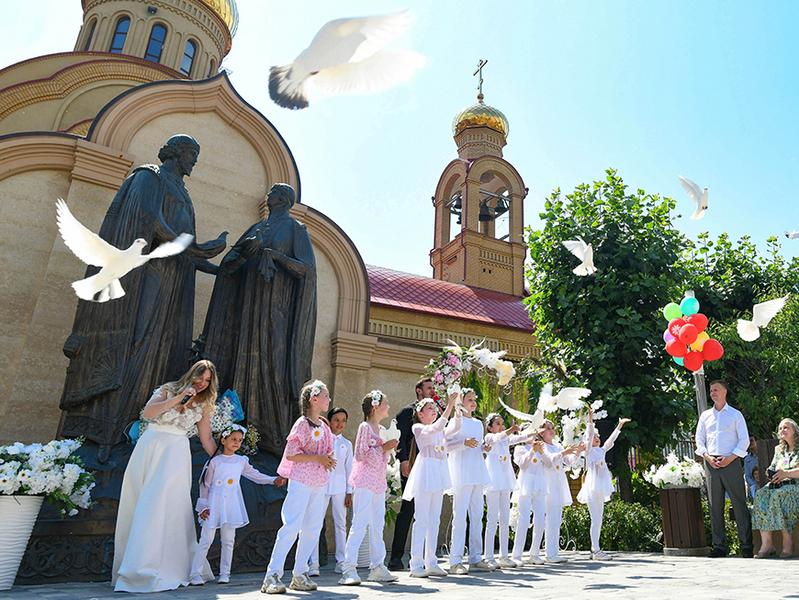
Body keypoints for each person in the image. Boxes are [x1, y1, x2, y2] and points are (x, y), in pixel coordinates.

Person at [59, 135, 227, 461]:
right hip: (146, 277)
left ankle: (143, 427)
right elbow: (152, 223)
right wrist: (195, 247)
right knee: (138, 338)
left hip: (173, 280)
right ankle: (111, 429)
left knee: (164, 349)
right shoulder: (149, 177)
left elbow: (183, 248)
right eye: (191, 153)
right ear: (175, 153)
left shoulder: (183, 192)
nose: (194, 160)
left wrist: (219, 268)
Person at [201, 183, 316, 455]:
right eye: (271, 192)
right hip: (247, 308)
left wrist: (275, 256)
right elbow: (232, 261)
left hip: (277, 311)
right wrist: (241, 254)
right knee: (241, 358)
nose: (270, 196)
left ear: (286, 200)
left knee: (271, 362)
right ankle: (233, 429)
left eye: (276, 193)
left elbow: (306, 269)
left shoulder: (295, 229)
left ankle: (270, 434)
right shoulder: (255, 228)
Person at [112, 360, 219, 593]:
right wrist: (179, 397)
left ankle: (160, 567)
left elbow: (206, 438)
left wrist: (224, 459)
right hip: (150, 447)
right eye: (200, 377)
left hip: (175, 453)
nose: (202, 383)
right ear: (191, 375)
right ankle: (134, 566)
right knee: (140, 503)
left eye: (207, 380)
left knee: (163, 505)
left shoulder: (205, 404)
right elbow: (148, 414)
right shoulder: (167, 389)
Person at [261, 380, 336, 594]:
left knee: (312, 528)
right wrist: (319, 458)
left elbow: (327, 451)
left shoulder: (324, 426)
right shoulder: (302, 424)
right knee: (292, 525)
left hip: (319, 482)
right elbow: (292, 454)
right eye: (325, 396)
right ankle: (272, 575)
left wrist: (328, 459)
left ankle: (300, 573)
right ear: (314, 399)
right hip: (301, 480)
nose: (328, 400)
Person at [190, 425, 286, 584]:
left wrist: (272, 479)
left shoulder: (241, 461)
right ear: (223, 439)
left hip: (231, 504)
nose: (236, 443)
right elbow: (205, 485)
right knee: (206, 539)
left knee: (228, 540)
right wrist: (204, 506)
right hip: (214, 503)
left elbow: (255, 475)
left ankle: (224, 573)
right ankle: (195, 574)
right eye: (233, 439)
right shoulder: (214, 462)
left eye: (240, 440)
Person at [339, 391, 400, 585]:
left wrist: (389, 449)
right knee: (360, 523)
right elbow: (360, 455)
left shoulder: (381, 428)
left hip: (378, 481)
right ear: (375, 407)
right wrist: (383, 448)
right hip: (365, 480)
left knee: (377, 523)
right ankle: (348, 568)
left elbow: (381, 456)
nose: (388, 407)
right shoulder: (365, 427)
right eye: (385, 403)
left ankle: (377, 566)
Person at [694, 380, 754, 558]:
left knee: (739, 504)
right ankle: (719, 546)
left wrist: (730, 458)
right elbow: (699, 440)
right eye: (711, 390)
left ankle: (746, 546)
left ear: (725, 391)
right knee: (715, 506)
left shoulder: (735, 415)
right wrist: (707, 457)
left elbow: (744, 440)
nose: (712, 393)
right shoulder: (705, 416)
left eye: (716, 390)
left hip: (731, 462)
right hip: (711, 463)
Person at [403, 393, 459, 578]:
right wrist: (449, 406)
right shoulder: (418, 428)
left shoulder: (438, 429)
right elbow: (439, 426)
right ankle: (416, 564)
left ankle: (431, 562)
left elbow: (453, 429)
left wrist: (457, 411)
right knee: (422, 519)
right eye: (430, 409)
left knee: (435, 519)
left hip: (438, 473)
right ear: (420, 413)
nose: (434, 411)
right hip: (425, 472)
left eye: (435, 409)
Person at [389, 377, 440, 569]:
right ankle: (396, 557)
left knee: (430, 511)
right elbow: (400, 438)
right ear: (418, 390)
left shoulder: (436, 413)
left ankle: (428, 556)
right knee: (408, 509)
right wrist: (403, 461)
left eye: (433, 388)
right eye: (428, 388)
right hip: (412, 464)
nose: (432, 391)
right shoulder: (407, 412)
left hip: (432, 466)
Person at [444, 388, 496, 574]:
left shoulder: (478, 424)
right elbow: (445, 445)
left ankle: (475, 557)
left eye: (474, 399)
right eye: (469, 399)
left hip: (477, 471)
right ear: (460, 402)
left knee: (476, 516)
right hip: (461, 471)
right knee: (460, 517)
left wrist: (485, 448)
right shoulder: (454, 422)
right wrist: (462, 443)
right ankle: (455, 560)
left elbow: (478, 446)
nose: (473, 402)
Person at [577, 408, 631, 560]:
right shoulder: (588, 452)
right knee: (595, 518)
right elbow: (588, 435)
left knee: (599, 518)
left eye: (598, 437)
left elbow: (611, 441)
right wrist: (590, 418)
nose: (597, 438)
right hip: (592, 487)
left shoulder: (601, 451)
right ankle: (595, 550)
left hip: (600, 487)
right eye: (594, 437)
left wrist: (619, 425)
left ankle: (596, 548)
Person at [309, 407, 353, 576]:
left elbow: (350, 469)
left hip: (340, 488)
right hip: (320, 486)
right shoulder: (321, 440)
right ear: (329, 421)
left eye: (343, 420)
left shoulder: (347, 444)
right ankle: (313, 563)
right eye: (336, 420)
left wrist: (350, 492)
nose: (340, 424)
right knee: (315, 522)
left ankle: (341, 561)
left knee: (340, 523)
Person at [752, 418, 799, 558]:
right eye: (780, 428)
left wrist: (786, 474)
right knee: (761, 494)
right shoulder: (779, 450)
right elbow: (772, 468)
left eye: (786, 428)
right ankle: (767, 544)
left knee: (778, 495)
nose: (782, 430)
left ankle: (787, 542)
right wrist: (771, 474)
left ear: (795, 431)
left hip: (795, 486)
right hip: (779, 485)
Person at [539, 419, 582, 563]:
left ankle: (554, 551)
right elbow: (549, 460)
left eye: (552, 427)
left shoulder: (557, 446)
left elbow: (570, 462)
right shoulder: (542, 446)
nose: (551, 430)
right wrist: (564, 452)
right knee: (549, 518)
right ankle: (549, 553)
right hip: (548, 484)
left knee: (556, 518)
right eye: (548, 428)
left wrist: (577, 452)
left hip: (558, 483)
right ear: (541, 432)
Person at [483, 413, 523, 568]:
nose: (501, 426)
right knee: (492, 519)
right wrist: (511, 429)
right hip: (493, 481)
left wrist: (534, 431)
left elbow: (519, 438)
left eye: (502, 423)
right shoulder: (489, 438)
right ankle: (488, 556)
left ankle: (504, 556)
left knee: (504, 519)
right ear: (490, 427)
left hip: (505, 481)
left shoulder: (505, 439)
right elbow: (497, 438)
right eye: (498, 424)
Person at [511, 424, 548, 566]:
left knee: (540, 519)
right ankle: (517, 555)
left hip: (539, 485)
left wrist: (541, 452)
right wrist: (532, 451)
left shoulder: (541, 448)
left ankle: (534, 553)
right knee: (524, 519)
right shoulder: (520, 449)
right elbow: (523, 464)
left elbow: (549, 464)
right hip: (525, 485)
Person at [744, 435, 760, 502]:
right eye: (748, 441)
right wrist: (754, 485)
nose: (750, 443)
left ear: (756, 441)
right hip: (753, 488)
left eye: (751, 441)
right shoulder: (747, 459)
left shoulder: (763, 454)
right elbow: (747, 475)